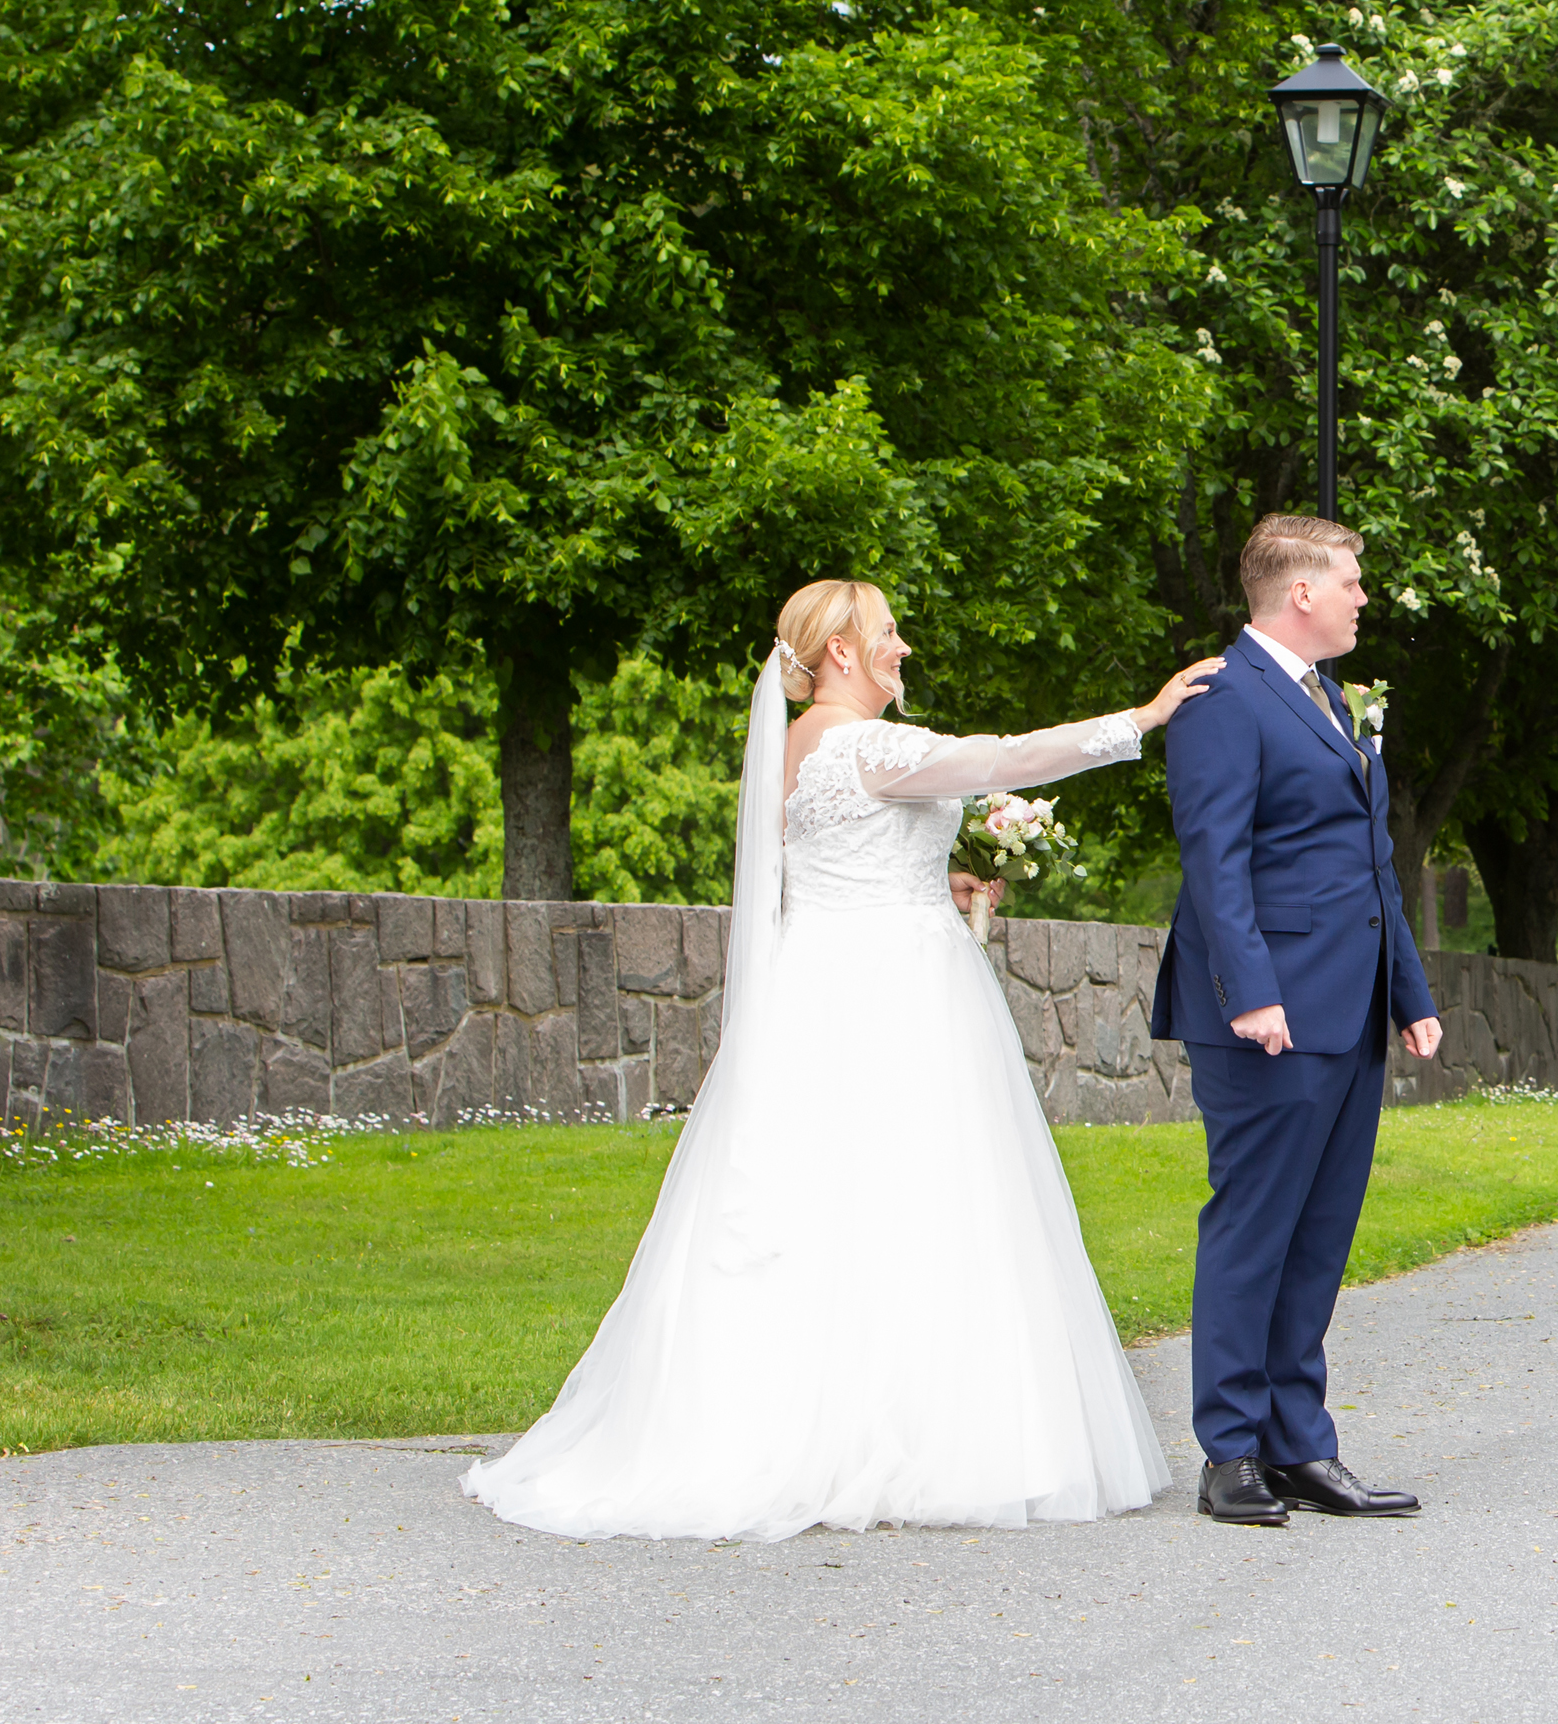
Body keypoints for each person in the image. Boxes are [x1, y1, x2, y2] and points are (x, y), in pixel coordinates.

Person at [461, 580, 1220, 1542]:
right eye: (889, 632)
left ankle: (824, 1418)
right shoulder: (863, 744)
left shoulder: (800, 746)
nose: (904, 646)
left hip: (826, 979)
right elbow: (1001, 757)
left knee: (838, 1196)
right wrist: (1141, 718)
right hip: (892, 992)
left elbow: (830, 859)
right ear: (843, 653)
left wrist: (936, 876)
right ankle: (904, 1434)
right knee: (910, 1194)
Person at [1152, 515, 1444, 1528]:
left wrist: (1409, 992)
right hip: (1267, 1012)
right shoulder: (1223, 697)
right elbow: (1214, 856)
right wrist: (1250, 991)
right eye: (1352, 580)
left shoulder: (1331, 698)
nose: (1364, 597)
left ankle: (1298, 1444)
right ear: (1301, 591)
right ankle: (1230, 1450)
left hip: (1347, 1006)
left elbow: (1373, 863)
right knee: (1254, 1227)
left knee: (1318, 1234)